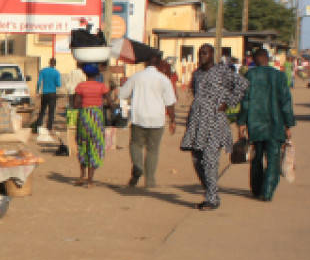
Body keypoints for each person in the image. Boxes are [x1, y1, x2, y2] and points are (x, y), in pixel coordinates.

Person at [180, 44, 249, 211]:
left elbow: (243, 84)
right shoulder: (197, 74)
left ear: (212, 54)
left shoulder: (222, 71)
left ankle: (212, 199)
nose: (201, 56)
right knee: (197, 160)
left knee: (210, 160)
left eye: (204, 53)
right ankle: (211, 191)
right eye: (199, 53)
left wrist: (229, 103)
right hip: (197, 122)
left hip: (214, 122)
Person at [237, 48, 295, 202]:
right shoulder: (280, 76)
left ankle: (256, 189)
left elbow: (246, 102)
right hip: (275, 125)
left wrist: (242, 123)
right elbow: (285, 103)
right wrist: (288, 124)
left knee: (256, 158)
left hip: (255, 125)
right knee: (273, 159)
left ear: (254, 61)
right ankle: (267, 191)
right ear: (268, 59)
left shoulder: (249, 76)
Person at [119, 54, 177, 189]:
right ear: (158, 65)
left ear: (145, 64)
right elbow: (170, 103)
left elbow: (123, 94)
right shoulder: (164, 80)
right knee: (153, 150)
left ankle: (138, 166)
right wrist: (172, 120)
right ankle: (150, 181)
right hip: (157, 119)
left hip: (139, 117)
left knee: (135, 144)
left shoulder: (136, 77)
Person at [72, 64, 111, 187]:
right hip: (96, 118)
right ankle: (90, 180)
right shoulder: (102, 87)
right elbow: (109, 102)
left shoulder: (80, 86)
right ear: (96, 75)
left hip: (84, 117)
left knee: (83, 145)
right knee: (95, 146)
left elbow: (76, 103)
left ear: (85, 74)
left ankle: (82, 176)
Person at [32, 58, 61, 133]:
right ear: (55, 64)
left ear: (49, 62)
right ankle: (49, 127)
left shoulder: (43, 71)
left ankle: (38, 125)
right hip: (52, 93)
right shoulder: (57, 72)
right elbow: (58, 84)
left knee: (42, 110)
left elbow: (39, 82)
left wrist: (37, 91)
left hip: (44, 93)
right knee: (51, 111)